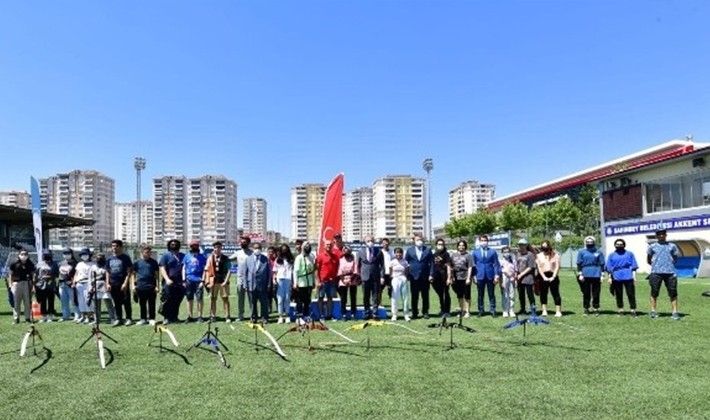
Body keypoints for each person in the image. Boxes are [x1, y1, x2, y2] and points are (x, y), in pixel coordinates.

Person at [647, 229, 680, 320]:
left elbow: (676, 257)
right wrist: (656, 266)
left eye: (663, 234)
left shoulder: (672, 246)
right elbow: (649, 259)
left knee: (673, 293)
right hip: (656, 272)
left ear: (666, 235)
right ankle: (653, 311)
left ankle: (675, 312)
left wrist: (669, 265)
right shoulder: (652, 246)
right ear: (656, 236)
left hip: (670, 273)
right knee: (654, 292)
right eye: (659, 234)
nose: (661, 236)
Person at [605, 238, 639, 317]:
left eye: (621, 244)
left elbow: (634, 266)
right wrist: (610, 277)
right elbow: (609, 267)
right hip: (616, 276)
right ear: (615, 245)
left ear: (624, 245)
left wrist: (634, 277)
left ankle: (633, 309)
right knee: (618, 294)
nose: (619, 246)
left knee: (630, 294)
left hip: (628, 276)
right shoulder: (612, 255)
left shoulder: (629, 254)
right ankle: (620, 309)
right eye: (617, 244)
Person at [405, 233, 434, 319]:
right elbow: (406, 263)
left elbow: (432, 263)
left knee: (425, 295)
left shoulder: (427, 250)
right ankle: (414, 313)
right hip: (413, 277)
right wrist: (406, 274)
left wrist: (431, 274)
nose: (419, 241)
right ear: (414, 241)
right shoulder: (409, 250)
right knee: (414, 296)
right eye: (417, 240)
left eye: (421, 240)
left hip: (425, 276)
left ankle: (425, 312)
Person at [472, 234, 501, 317]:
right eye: (482, 240)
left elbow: (496, 264)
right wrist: (474, 276)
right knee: (480, 294)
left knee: (491, 293)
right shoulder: (475, 252)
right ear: (479, 241)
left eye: (485, 240)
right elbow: (473, 265)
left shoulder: (492, 251)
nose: (484, 242)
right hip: (479, 275)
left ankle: (492, 309)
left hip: (490, 275)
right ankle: (481, 310)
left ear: (488, 242)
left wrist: (496, 275)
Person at [576, 236, 606, 316]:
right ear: (585, 242)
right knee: (586, 293)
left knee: (596, 293)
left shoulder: (598, 252)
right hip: (585, 274)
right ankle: (586, 308)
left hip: (596, 274)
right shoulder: (581, 251)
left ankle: (596, 308)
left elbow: (602, 264)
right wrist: (580, 274)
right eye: (588, 242)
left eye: (591, 242)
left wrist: (602, 275)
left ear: (594, 242)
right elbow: (579, 264)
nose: (590, 243)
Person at [158, 239, 186, 324]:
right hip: (169, 282)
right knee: (167, 300)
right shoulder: (166, 256)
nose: (173, 245)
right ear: (169, 245)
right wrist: (167, 279)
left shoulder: (182, 256)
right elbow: (162, 268)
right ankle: (166, 317)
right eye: (172, 244)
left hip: (179, 282)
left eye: (175, 244)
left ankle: (174, 317)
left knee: (177, 300)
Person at [107, 239, 133, 326]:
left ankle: (128, 318)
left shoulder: (125, 258)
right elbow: (107, 271)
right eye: (113, 246)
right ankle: (119, 319)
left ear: (121, 247)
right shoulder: (109, 258)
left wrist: (125, 283)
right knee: (116, 302)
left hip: (123, 284)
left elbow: (129, 271)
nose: (114, 248)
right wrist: (107, 283)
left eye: (116, 246)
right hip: (113, 283)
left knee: (126, 301)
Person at [243, 242, 272, 323]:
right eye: (255, 248)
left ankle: (264, 318)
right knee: (252, 303)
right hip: (251, 285)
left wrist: (269, 284)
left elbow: (269, 273)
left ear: (261, 249)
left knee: (264, 303)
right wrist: (245, 285)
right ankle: (253, 317)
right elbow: (245, 273)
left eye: (259, 248)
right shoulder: (248, 259)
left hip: (262, 285)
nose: (257, 249)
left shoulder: (265, 259)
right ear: (253, 249)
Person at [132, 245, 160, 325]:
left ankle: (152, 318)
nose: (149, 253)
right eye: (147, 252)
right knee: (142, 303)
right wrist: (133, 286)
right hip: (140, 286)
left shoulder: (154, 262)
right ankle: (143, 319)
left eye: (150, 252)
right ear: (142, 252)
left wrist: (157, 286)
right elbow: (133, 275)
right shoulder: (137, 262)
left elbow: (157, 276)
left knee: (152, 303)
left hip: (151, 286)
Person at [205, 241, 232, 323]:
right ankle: (213, 316)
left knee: (225, 298)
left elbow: (229, 270)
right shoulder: (210, 258)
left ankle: (227, 316)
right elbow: (207, 270)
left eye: (219, 247)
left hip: (223, 281)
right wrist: (207, 282)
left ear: (221, 248)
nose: (217, 249)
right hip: (213, 281)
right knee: (213, 299)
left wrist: (226, 281)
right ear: (213, 248)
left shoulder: (226, 258)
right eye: (216, 247)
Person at [357, 235, 383, 319]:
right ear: (365, 242)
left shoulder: (379, 251)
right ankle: (366, 312)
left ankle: (375, 313)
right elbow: (358, 265)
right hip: (365, 277)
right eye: (368, 241)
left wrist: (382, 276)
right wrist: (358, 276)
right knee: (366, 296)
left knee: (375, 295)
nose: (370, 242)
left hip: (375, 276)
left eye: (371, 240)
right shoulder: (360, 251)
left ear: (374, 241)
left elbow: (382, 265)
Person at [536, 240, 562, 317]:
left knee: (555, 293)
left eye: (546, 246)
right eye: (543, 247)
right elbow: (539, 267)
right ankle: (544, 310)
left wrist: (553, 276)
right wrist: (544, 277)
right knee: (543, 293)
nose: (544, 248)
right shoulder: (539, 255)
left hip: (553, 275)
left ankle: (558, 311)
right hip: (543, 276)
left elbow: (557, 266)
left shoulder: (555, 255)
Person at [183, 240, 207, 323]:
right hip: (189, 280)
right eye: (192, 246)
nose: (194, 247)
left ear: (198, 246)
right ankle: (190, 316)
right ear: (190, 247)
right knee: (189, 298)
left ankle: (200, 316)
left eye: (196, 246)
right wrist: (184, 280)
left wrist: (203, 281)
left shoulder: (202, 257)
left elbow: (205, 270)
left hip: (198, 280)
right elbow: (184, 268)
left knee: (199, 299)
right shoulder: (187, 256)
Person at [9, 249, 35, 324]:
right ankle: (16, 318)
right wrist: (11, 285)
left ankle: (27, 318)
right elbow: (10, 274)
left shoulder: (30, 264)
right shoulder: (14, 263)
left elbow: (33, 275)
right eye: (22, 254)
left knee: (27, 302)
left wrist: (33, 285)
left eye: (25, 254)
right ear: (19, 255)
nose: (24, 256)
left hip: (26, 283)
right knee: (16, 302)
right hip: (16, 283)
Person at [230, 236, 253, 322]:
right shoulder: (238, 253)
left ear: (248, 243)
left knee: (251, 298)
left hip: (250, 279)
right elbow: (228, 260)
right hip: (240, 279)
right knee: (240, 298)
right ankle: (240, 315)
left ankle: (252, 315)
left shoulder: (252, 253)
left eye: (244, 242)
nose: (242, 243)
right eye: (241, 242)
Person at [316, 240, 340, 320]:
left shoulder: (335, 257)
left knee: (330, 298)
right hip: (323, 281)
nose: (329, 246)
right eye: (327, 245)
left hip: (332, 281)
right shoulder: (320, 256)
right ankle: (321, 315)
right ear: (324, 246)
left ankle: (329, 315)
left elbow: (337, 269)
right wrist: (318, 281)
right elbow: (317, 270)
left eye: (330, 245)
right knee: (320, 298)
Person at [450, 240, 474, 318]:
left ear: (465, 246)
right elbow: (451, 267)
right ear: (457, 246)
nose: (461, 246)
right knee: (459, 295)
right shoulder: (453, 255)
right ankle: (462, 310)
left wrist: (468, 278)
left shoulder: (468, 256)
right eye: (460, 245)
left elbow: (470, 267)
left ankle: (467, 311)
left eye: (463, 245)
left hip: (465, 277)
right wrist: (452, 277)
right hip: (456, 278)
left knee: (467, 295)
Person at [91, 253, 116, 326]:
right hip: (95, 286)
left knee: (109, 303)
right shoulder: (93, 267)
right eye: (98, 258)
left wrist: (108, 284)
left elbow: (108, 276)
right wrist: (91, 287)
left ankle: (112, 318)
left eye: (101, 258)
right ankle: (97, 319)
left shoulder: (106, 266)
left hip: (104, 286)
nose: (99, 259)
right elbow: (90, 277)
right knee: (96, 305)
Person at [35, 250, 59, 322]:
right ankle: (43, 315)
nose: (47, 256)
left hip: (51, 285)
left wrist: (51, 277)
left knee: (51, 300)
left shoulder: (54, 264)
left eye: (48, 255)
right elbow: (36, 275)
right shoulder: (39, 264)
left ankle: (50, 315)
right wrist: (35, 284)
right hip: (41, 285)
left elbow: (57, 274)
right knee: (42, 301)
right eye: (45, 255)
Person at [293, 242, 316, 318]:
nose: (307, 247)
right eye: (306, 246)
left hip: (309, 282)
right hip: (301, 282)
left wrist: (313, 281)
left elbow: (312, 271)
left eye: (308, 246)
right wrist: (295, 283)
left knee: (307, 299)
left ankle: (306, 314)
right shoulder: (299, 257)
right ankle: (299, 315)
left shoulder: (311, 257)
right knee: (300, 299)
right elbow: (296, 271)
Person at [73, 248, 95, 324]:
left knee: (87, 300)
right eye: (82, 255)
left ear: (89, 255)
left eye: (86, 255)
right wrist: (74, 282)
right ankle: (83, 316)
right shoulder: (79, 264)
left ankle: (89, 317)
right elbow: (76, 273)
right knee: (80, 300)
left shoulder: (93, 264)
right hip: (79, 283)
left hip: (87, 283)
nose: (84, 256)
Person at [431, 238, 453, 317]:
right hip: (436, 278)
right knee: (440, 294)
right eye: (439, 244)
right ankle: (442, 310)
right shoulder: (434, 254)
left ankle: (447, 311)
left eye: (442, 244)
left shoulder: (446, 254)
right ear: (436, 245)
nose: (440, 246)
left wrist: (449, 278)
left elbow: (449, 266)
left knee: (446, 294)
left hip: (444, 277)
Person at [273, 244, 294, 324]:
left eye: (286, 250)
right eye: (283, 250)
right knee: (280, 299)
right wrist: (274, 280)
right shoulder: (277, 259)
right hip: (280, 280)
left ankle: (287, 315)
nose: (284, 251)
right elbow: (275, 271)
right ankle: (280, 316)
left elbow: (293, 272)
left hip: (288, 280)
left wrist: (293, 282)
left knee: (287, 298)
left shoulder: (291, 259)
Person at [337, 245, 359, 320]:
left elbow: (356, 271)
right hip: (343, 279)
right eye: (344, 250)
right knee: (343, 298)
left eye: (347, 251)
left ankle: (353, 313)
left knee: (353, 297)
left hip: (352, 279)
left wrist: (350, 279)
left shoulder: (353, 260)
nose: (346, 252)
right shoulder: (341, 260)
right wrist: (343, 280)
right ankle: (343, 314)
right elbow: (339, 271)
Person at [389, 247, 411, 321]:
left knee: (405, 298)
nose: (398, 254)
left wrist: (405, 278)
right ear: (394, 254)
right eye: (397, 252)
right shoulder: (392, 262)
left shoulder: (405, 262)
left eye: (400, 252)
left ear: (402, 253)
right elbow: (390, 271)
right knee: (395, 297)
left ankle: (406, 314)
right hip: (395, 280)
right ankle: (394, 314)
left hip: (403, 279)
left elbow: (407, 271)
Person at [515, 239, 537, 314]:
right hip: (519, 279)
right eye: (520, 245)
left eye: (523, 245)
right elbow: (516, 265)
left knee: (530, 294)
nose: (521, 246)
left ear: (526, 245)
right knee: (521, 294)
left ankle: (533, 309)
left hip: (528, 278)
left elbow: (530, 267)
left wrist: (521, 274)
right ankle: (522, 309)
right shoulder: (518, 254)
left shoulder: (530, 255)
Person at [57, 247, 78, 322]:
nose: (66, 255)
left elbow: (77, 274)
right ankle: (65, 316)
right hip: (62, 284)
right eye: (65, 253)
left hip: (71, 284)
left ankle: (77, 315)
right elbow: (58, 274)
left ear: (71, 254)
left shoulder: (75, 263)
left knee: (74, 301)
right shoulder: (60, 263)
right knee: (64, 301)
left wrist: (74, 282)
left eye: (68, 253)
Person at [499, 245, 517, 318]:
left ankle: (511, 310)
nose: (506, 253)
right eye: (505, 252)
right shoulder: (500, 261)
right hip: (504, 277)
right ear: (502, 253)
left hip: (512, 278)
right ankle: (505, 310)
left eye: (508, 252)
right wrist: (501, 282)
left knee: (512, 294)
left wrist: (515, 279)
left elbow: (516, 270)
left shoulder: (513, 260)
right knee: (505, 294)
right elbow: (500, 271)